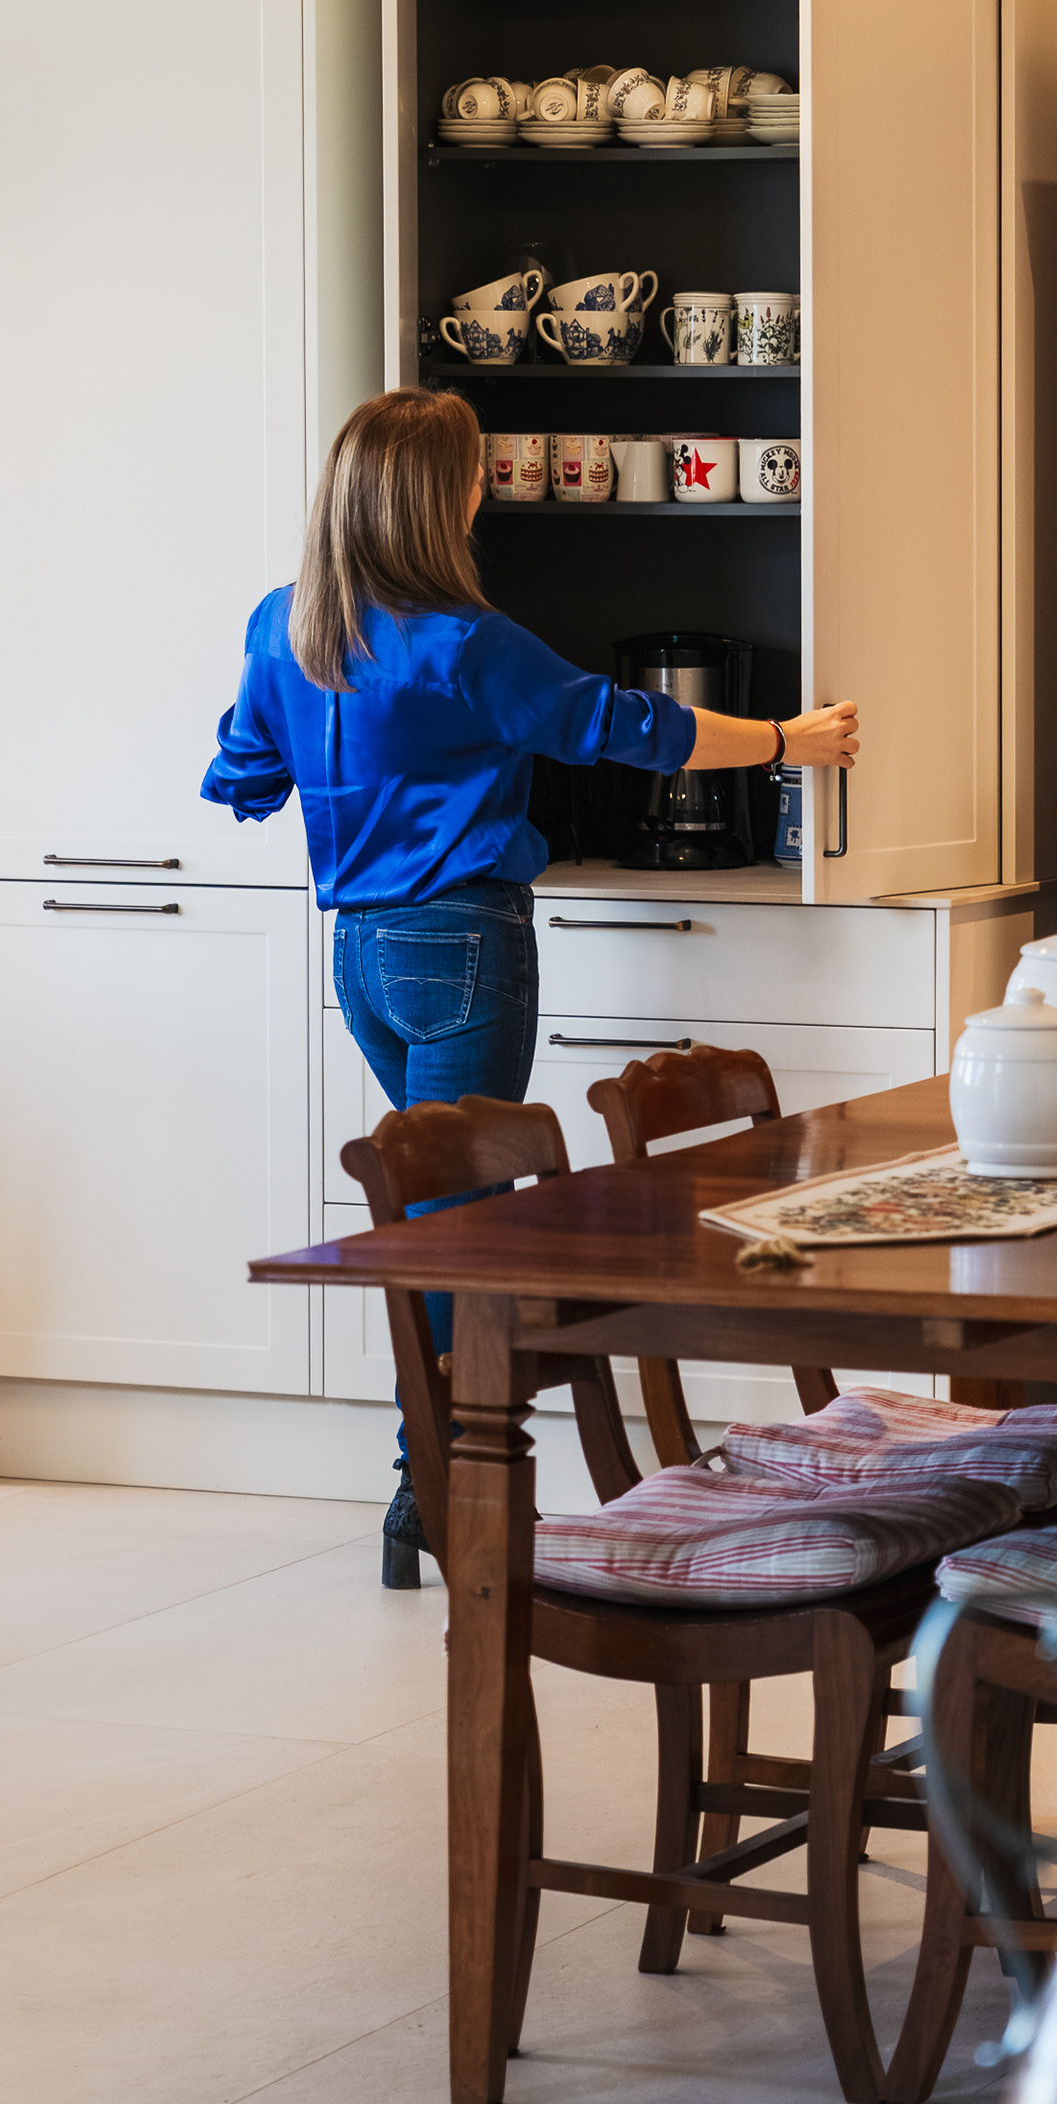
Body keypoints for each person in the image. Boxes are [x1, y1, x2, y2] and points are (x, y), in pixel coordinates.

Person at [201, 386, 859, 1583]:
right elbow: (631, 729)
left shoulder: (281, 625)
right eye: (472, 474)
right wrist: (787, 742)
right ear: (438, 499)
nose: (481, 490)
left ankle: (428, 1483)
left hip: (362, 955)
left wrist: (320, 759)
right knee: (461, 1225)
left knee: (430, 1206)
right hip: (461, 940)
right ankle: (437, 1488)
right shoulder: (465, 641)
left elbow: (242, 775)